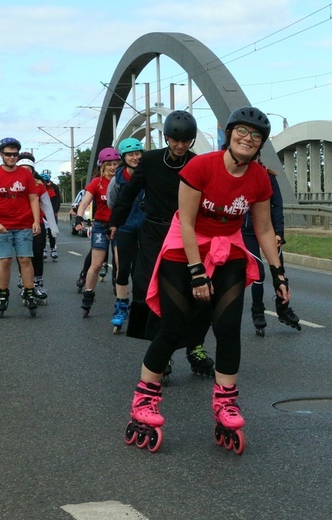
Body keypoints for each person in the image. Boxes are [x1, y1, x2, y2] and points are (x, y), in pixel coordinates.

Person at [123, 106, 291, 454]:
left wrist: (278, 276)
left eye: (255, 136)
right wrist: (196, 272)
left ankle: (226, 403)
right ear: (229, 135)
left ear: (260, 145)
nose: (247, 139)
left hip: (227, 249)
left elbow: (263, 229)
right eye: (241, 132)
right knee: (173, 327)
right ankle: (144, 401)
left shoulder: (259, 178)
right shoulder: (200, 166)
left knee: (228, 327)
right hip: (182, 249)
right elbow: (185, 222)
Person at [109, 110, 215, 375]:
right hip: (154, 232)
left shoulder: (197, 163)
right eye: (176, 140)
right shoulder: (151, 161)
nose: (181, 146)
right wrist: (114, 222)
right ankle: (161, 351)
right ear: (166, 137)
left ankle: (195, 347)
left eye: (186, 140)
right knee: (148, 289)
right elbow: (129, 193)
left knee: (196, 291)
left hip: (186, 234)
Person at [0, 137, 42, 317]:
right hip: (2, 227)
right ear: (1, 154)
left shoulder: (25, 175)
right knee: (5, 261)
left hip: (24, 224)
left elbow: (33, 198)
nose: (12, 157)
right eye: (8, 154)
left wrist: (36, 221)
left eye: (15, 154)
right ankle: (2, 294)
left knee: (25, 259)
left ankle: (29, 291)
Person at [242, 161, 301, 336]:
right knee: (258, 273)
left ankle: (283, 309)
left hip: (269, 230)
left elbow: (277, 205)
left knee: (279, 273)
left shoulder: (268, 176)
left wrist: (279, 233)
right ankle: (258, 312)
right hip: (247, 231)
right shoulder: (239, 176)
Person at [74, 147, 120, 316]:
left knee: (119, 263)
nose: (113, 167)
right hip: (101, 225)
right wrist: (79, 219)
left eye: (116, 164)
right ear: (102, 166)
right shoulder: (97, 183)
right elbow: (84, 202)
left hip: (120, 225)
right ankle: (88, 293)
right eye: (109, 164)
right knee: (97, 264)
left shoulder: (123, 180)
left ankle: (120, 293)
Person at [106, 137, 145, 333]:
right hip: (125, 228)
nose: (135, 157)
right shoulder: (117, 180)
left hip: (146, 228)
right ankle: (121, 307)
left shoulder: (148, 175)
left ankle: (140, 309)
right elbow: (112, 204)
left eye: (138, 153)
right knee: (123, 269)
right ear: (124, 157)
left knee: (141, 272)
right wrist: (117, 222)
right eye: (131, 154)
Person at [17, 152, 58, 304]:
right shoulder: (13, 185)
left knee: (38, 254)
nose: (26, 172)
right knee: (23, 256)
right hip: (19, 225)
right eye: (23, 168)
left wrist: (53, 228)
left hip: (37, 224)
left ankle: (38, 284)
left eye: (29, 169)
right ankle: (25, 283)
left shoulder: (39, 186)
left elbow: (47, 207)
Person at [40, 169, 61, 260]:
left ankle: (53, 248)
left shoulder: (54, 187)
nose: (45, 183)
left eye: (46, 181)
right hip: (41, 213)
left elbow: (57, 200)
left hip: (51, 212)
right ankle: (43, 249)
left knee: (52, 232)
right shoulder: (38, 186)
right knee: (43, 232)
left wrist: (55, 211)